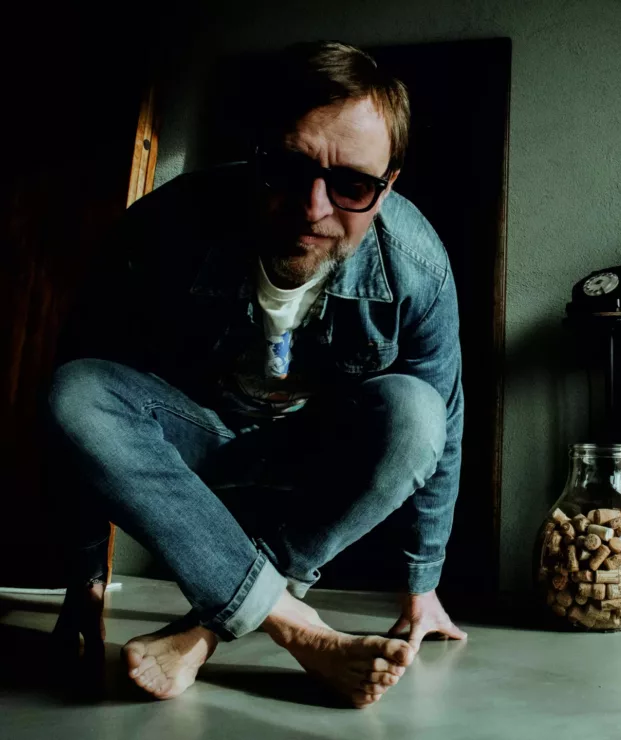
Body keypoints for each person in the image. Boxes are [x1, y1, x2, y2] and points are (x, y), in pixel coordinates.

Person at [48, 40, 466, 708]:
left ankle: (205, 632)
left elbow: (443, 416)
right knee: (76, 391)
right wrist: (85, 579)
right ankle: (295, 624)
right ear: (255, 155)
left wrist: (423, 584)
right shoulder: (163, 230)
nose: (313, 207)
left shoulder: (417, 266)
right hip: (195, 440)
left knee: (418, 412)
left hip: (315, 455)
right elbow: (80, 397)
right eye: (289, 169)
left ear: (388, 185)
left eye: (352, 186)